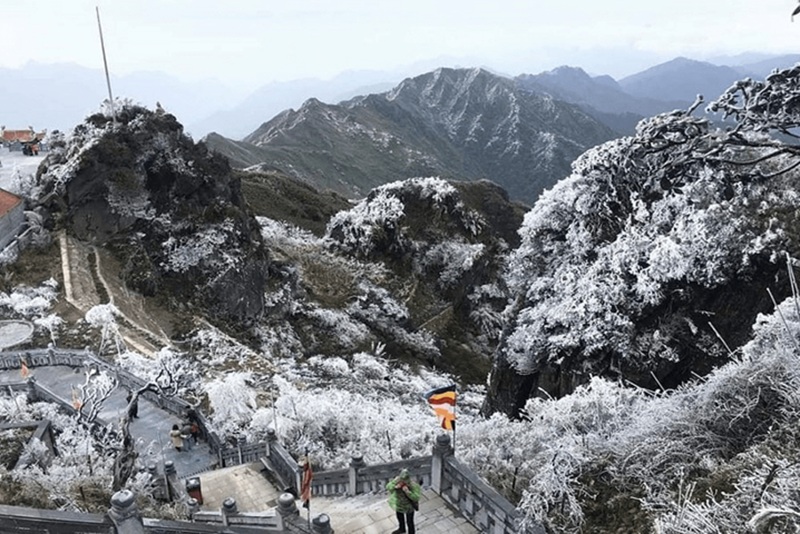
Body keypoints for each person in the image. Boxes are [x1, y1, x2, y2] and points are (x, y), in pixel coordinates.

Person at [386, 468, 421, 534]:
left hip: (409, 506)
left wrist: (408, 492)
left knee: (410, 522)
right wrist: (394, 485)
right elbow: (388, 487)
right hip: (399, 505)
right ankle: (402, 529)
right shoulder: (396, 482)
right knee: (400, 518)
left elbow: (416, 497)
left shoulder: (413, 485)